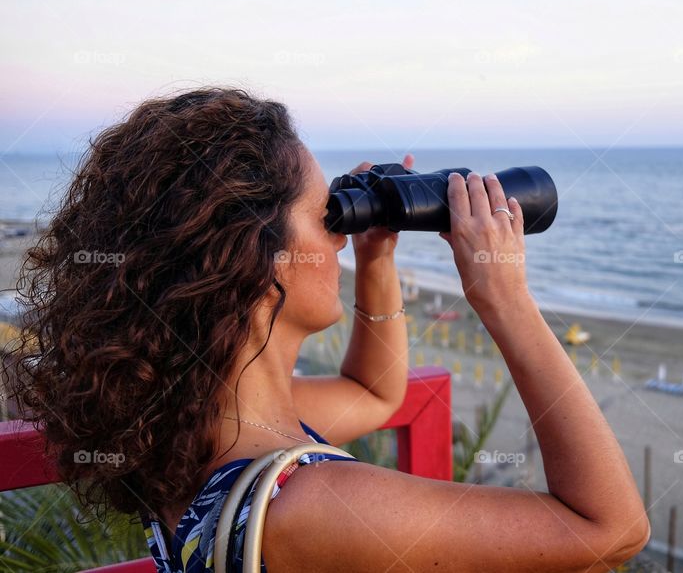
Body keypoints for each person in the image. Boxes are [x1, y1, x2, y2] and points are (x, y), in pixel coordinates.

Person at [4, 87, 649, 572]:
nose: (338, 240)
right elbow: (609, 526)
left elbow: (375, 395)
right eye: (324, 217)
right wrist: (505, 298)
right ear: (256, 256)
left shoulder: (181, 424)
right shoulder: (313, 505)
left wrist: (377, 257)